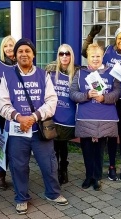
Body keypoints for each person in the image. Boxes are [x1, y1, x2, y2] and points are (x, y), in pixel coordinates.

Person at [0, 38, 68, 215]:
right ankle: (21, 198)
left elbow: (52, 101)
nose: (24, 54)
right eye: (20, 51)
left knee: (49, 164)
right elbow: (3, 105)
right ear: (15, 55)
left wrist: (33, 117)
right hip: (17, 131)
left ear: (33, 55)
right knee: (18, 166)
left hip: (39, 130)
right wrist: (19, 117)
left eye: (27, 51)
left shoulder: (43, 75)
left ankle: (53, 193)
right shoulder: (7, 76)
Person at [82, 25, 121, 182]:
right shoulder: (108, 50)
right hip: (107, 98)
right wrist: (91, 36)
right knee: (110, 135)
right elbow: (87, 53)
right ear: (115, 39)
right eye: (120, 37)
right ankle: (111, 166)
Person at [70, 43, 121, 191]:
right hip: (86, 117)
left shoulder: (111, 72)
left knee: (99, 149)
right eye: (92, 56)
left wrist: (104, 97)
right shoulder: (80, 73)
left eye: (98, 56)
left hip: (104, 118)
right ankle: (88, 176)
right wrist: (86, 95)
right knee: (86, 149)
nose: (95, 59)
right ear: (88, 58)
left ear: (102, 57)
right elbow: (73, 93)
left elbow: (118, 92)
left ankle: (97, 177)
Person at [45, 44, 80, 185]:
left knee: (63, 145)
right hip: (54, 115)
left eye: (67, 53)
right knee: (53, 146)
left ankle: (63, 169)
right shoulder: (50, 69)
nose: (64, 56)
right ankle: (54, 170)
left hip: (68, 116)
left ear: (71, 55)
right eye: (61, 54)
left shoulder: (77, 71)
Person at [0, 35, 17, 190]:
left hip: (18, 111)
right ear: (2, 48)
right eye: (6, 46)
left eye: (11, 45)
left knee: (16, 145)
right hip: (0, 111)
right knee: (3, 144)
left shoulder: (20, 65)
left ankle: (17, 174)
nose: (9, 48)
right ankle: (0, 174)